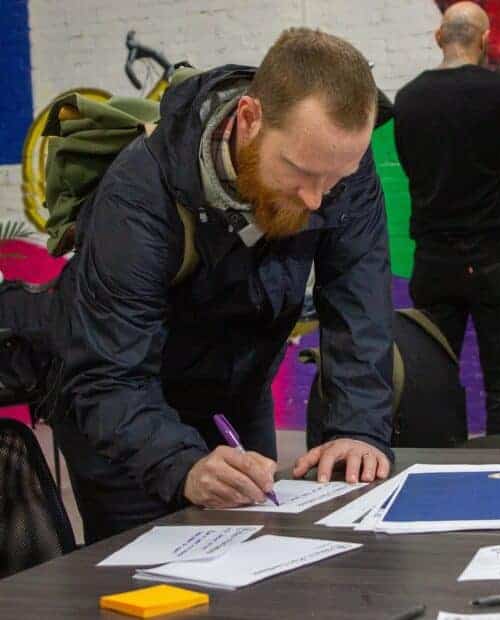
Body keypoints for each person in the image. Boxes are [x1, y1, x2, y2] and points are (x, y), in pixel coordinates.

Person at [33, 28, 394, 543]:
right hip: (123, 419)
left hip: (235, 398)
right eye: (298, 172)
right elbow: (107, 375)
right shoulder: (137, 198)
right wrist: (182, 465)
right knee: (146, 578)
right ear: (248, 121)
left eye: (335, 179)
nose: (317, 199)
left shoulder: (335, 165)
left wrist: (358, 429)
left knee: (260, 561)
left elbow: (361, 308)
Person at [393, 1, 500, 435]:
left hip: (435, 262)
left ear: (440, 37)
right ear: (485, 39)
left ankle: (439, 475)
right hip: (498, 258)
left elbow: (410, 167)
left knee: (434, 381)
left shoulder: (409, 98)